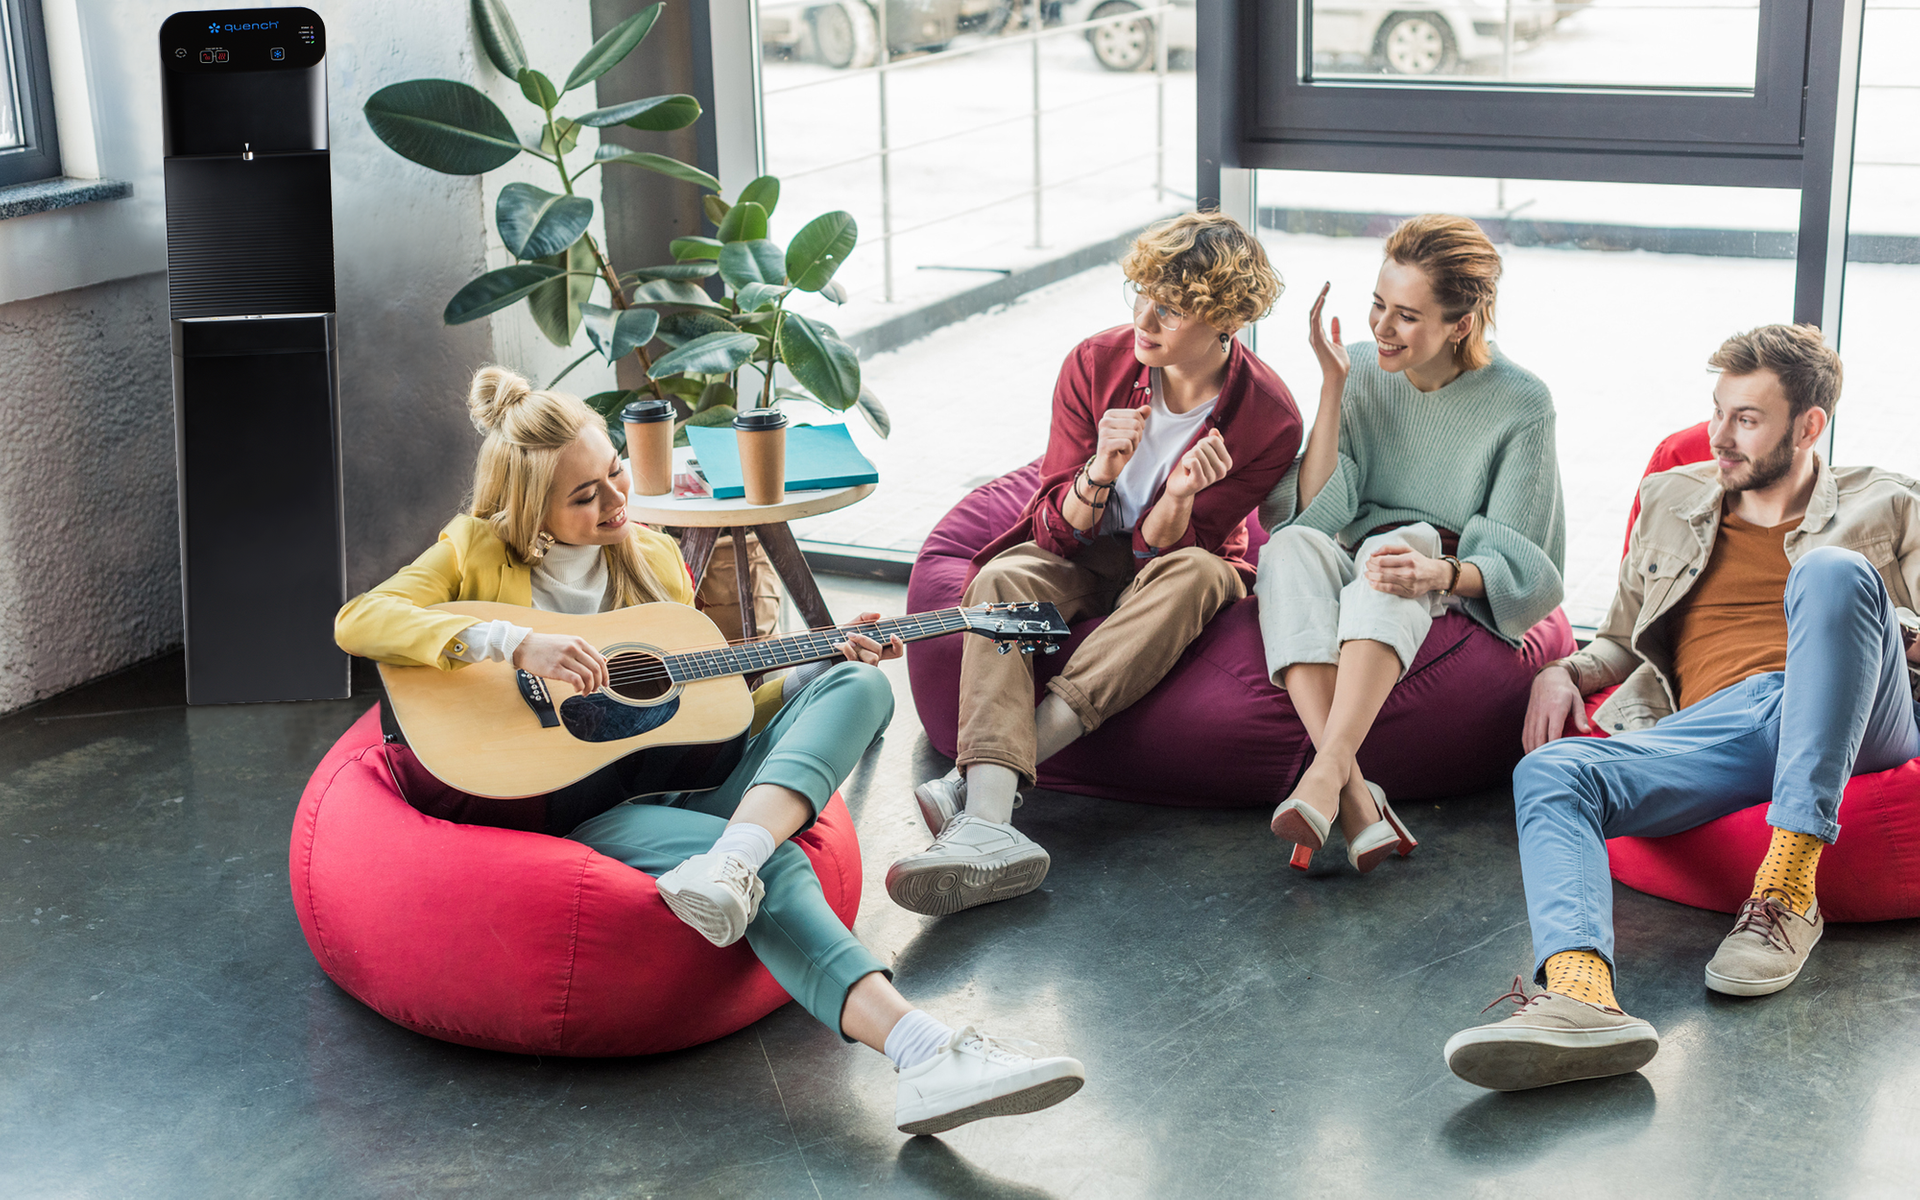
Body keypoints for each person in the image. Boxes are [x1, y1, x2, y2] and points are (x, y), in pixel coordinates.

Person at [334, 366, 1086, 1134]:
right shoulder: (475, 553)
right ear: (530, 510)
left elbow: (704, 708)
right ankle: (925, 1051)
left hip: (686, 785)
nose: (616, 501)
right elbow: (361, 619)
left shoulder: (652, 558)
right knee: (781, 864)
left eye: (615, 473)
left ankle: (732, 855)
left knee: (860, 690)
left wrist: (820, 662)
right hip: (586, 812)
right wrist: (513, 641)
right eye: (584, 496)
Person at [1445, 325, 1920, 1092]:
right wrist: (1564, 670)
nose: (1720, 436)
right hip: (1719, 725)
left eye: (1747, 419)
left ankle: (1787, 890)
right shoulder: (1673, 497)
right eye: (1718, 410)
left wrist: (1878, 626)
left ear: (1809, 426)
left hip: (1859, 713)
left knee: (1832, 573)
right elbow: (1626, 641)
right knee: (1551, 773)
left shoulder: (1889, 502)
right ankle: (1580, 997)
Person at [887, 210, 1300, 915]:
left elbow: (1175, 550)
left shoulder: (1268, 418)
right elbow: (1052, 531)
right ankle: (989, 826)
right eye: (1140, 294)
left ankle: (985, 795)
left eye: (1170, 309)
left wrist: (1177, 494)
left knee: (1202, 575)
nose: (1146, 318)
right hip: (1081, 547)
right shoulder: (1095, 363)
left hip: (1179, 564)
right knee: (1000, 578)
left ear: (1223, 317)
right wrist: (1101, 470)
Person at [1257, 214, 1564, 872]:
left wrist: (1440, 574)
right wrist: (1333, 387)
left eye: (1406, 316)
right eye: (1376, 305)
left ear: (1460, 324)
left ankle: (1327, 773)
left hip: (1439, 570)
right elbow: (1310, 515)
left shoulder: (1521, 403)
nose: (1381, 329)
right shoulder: (1363, 369)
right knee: (1283, 550)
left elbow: (1524, 563)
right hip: (1361, 552)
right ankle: (1355, 796)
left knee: (1396, 546)